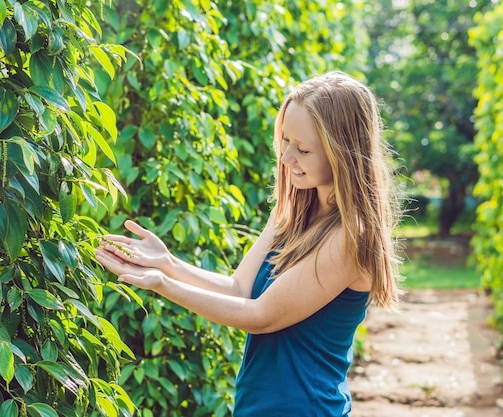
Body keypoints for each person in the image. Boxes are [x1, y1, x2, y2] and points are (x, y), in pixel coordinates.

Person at [95, 70, 402, 416]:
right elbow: (240, 289)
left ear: (342, 152)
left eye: (303, 149)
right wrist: (168, 263)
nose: (286, 158)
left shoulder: (349, 236)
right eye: (285, 141)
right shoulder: (292, 211)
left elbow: (260, 316)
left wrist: (162, 284)